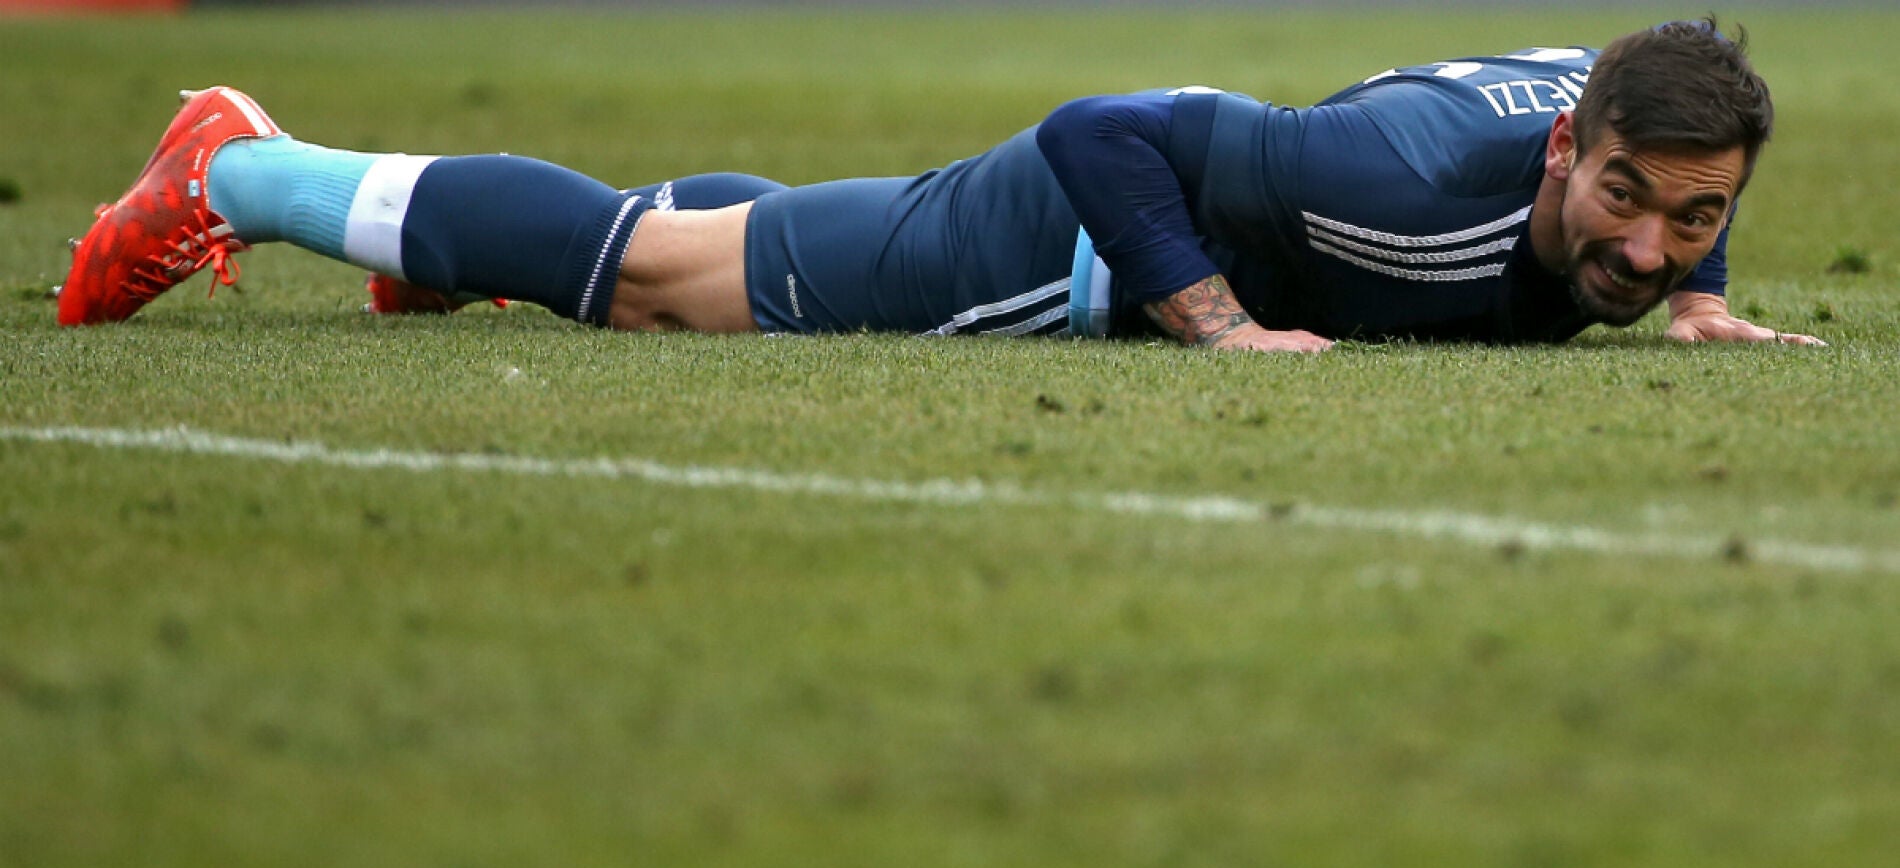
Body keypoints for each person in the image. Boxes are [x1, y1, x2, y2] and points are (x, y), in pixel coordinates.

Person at [57, 17, 1822, 349]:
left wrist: (1699, 298)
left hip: (1120, 230)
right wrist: (1210, 319)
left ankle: (453, 247)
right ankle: (250, 167)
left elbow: (1676, 158)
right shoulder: (1387, 180)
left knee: (746, 232)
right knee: (661, 279)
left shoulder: (1642, 132)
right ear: (1556, 154)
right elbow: (1099, 126)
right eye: (1630, 205)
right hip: (1061, 242)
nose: (1655, 238)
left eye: (1699, 218)